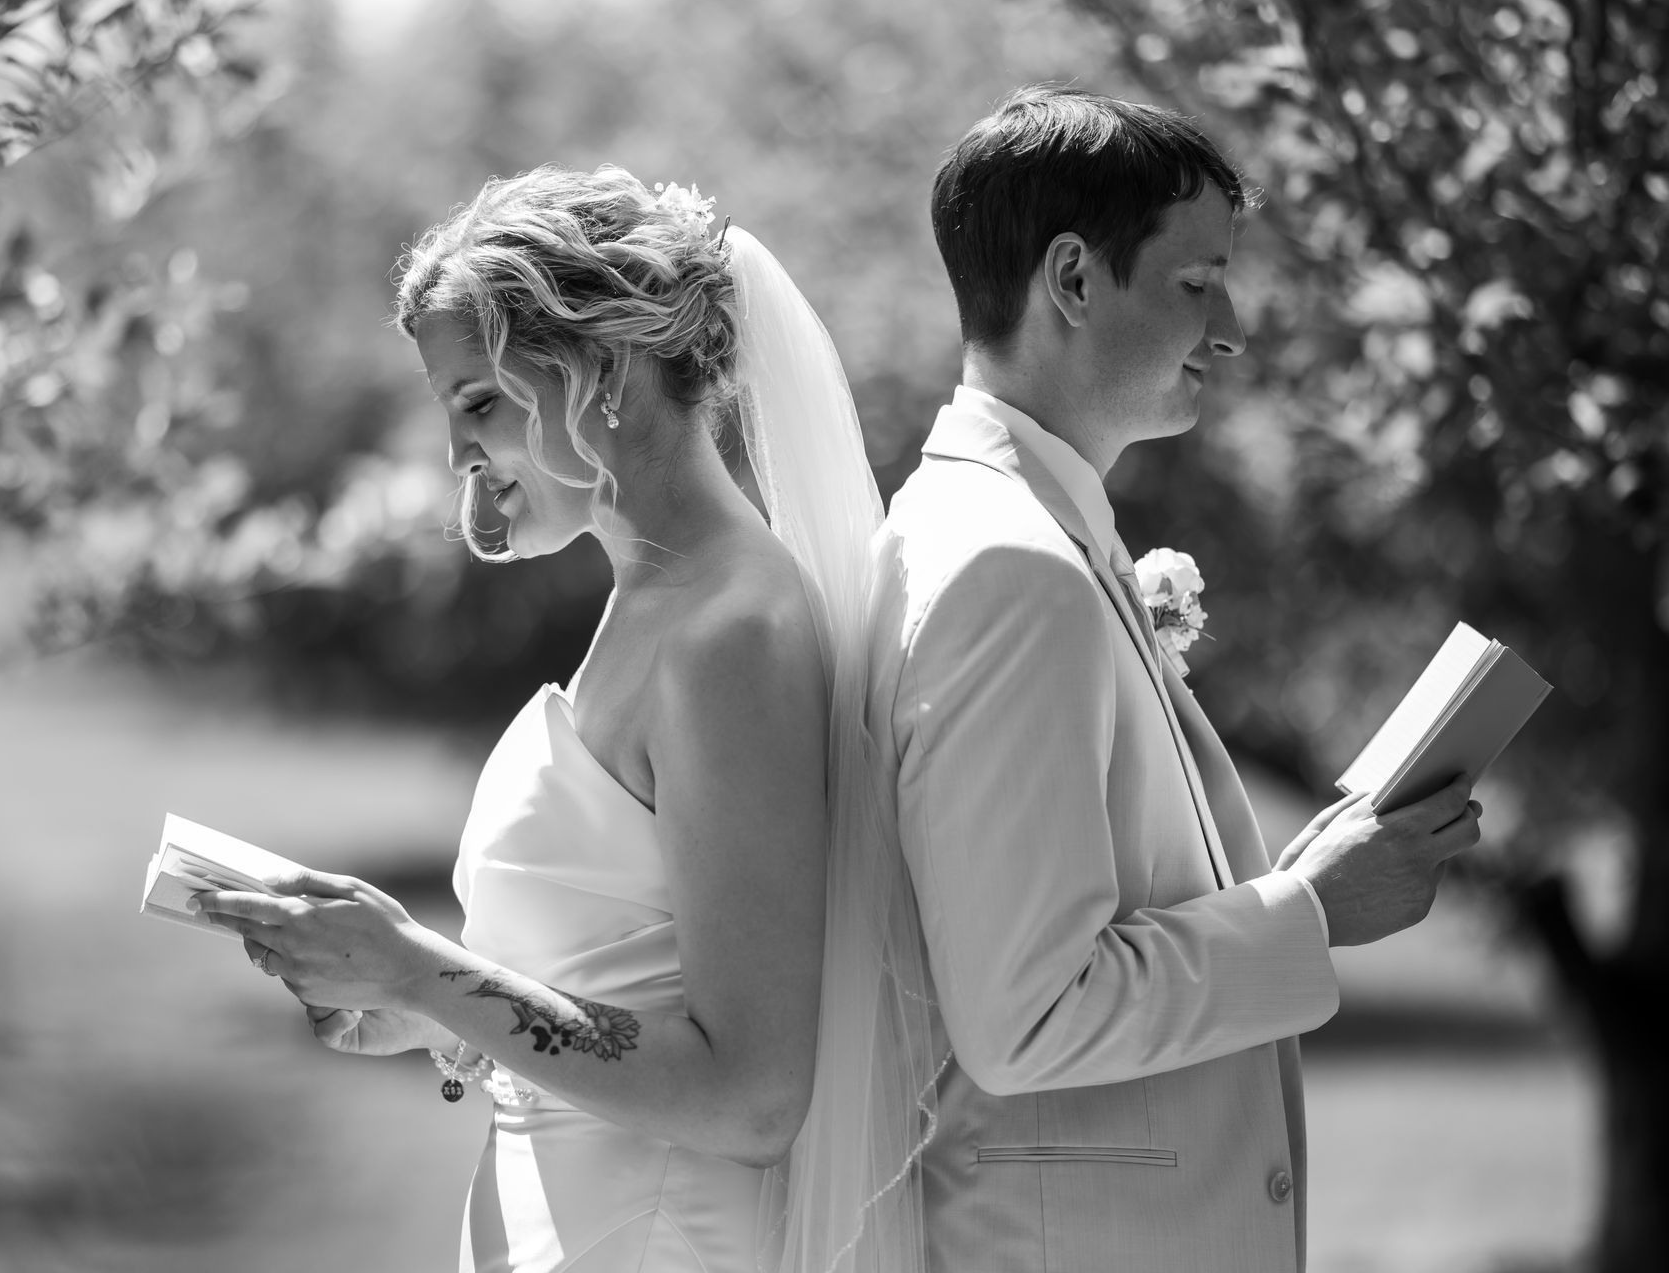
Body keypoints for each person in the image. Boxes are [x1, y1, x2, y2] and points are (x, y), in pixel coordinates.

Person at [196, 166, 938, 1273]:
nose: (457, 458)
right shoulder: (658, 605)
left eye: (478, 402)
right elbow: (630, 976)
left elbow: (752, 1095)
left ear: (602, 370)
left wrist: (418, 969)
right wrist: (438, 1016)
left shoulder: (730, 632)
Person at [865, 84, 1485, 1272]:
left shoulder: (1010, 529)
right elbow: (1025, 1014)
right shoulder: (1008, 564)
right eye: (1197, 282)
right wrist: (1310, 915)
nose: (1234, 324)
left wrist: (1295, 877)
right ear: (1075, 281)